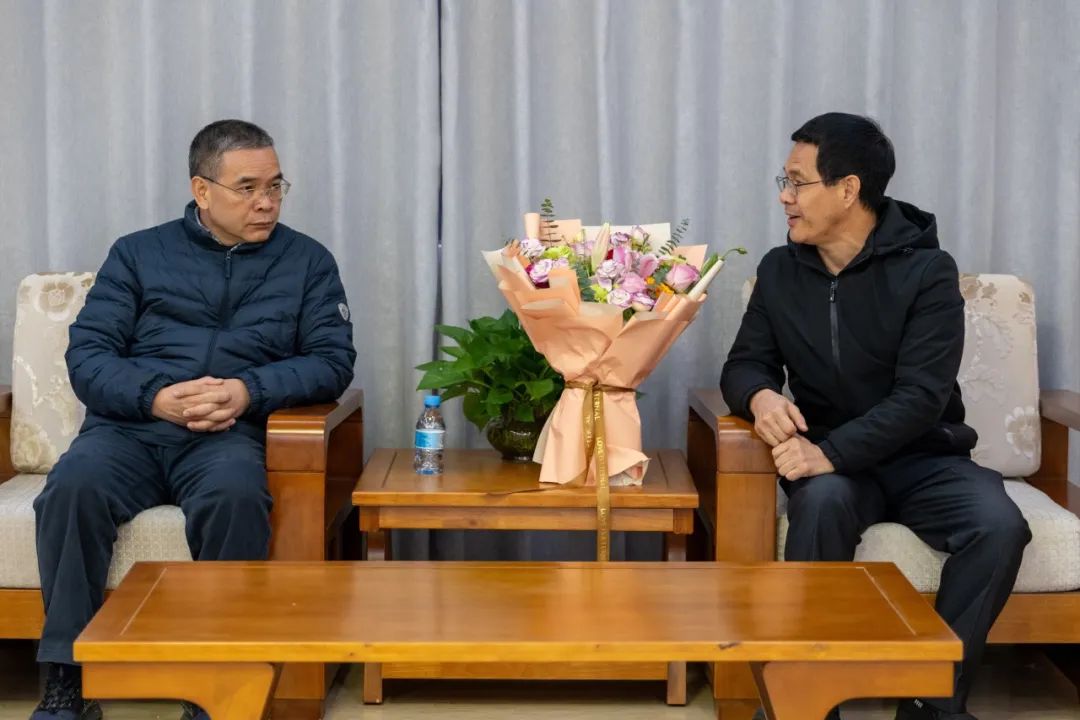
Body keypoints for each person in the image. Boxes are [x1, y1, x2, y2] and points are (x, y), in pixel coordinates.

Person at [31, 119, 356, 720]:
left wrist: (246, 391)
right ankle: (68, 678)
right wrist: (155, 396)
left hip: (226, 435)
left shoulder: (307, 261)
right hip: (128, 430)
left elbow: (331, 361)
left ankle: (214, 684)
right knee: (71, 489)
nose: (267, 202)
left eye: (276, 186)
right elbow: (89, 355)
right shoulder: (137, 253)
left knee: (236, 496)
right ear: (202, 190)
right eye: (248, 188)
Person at [721, 112, 1030, 720]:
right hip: (834, 464)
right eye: (784, 181)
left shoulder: (928, 272)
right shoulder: (781, 270)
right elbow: (744, 363)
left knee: (998, 527)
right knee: (821, 505)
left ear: (848, 189)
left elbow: (921, 397)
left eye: (797, 182)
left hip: (923, 456)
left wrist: (828, 453)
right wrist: (760, 397)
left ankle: (933, 703)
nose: (784, 196)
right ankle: (803, 707)